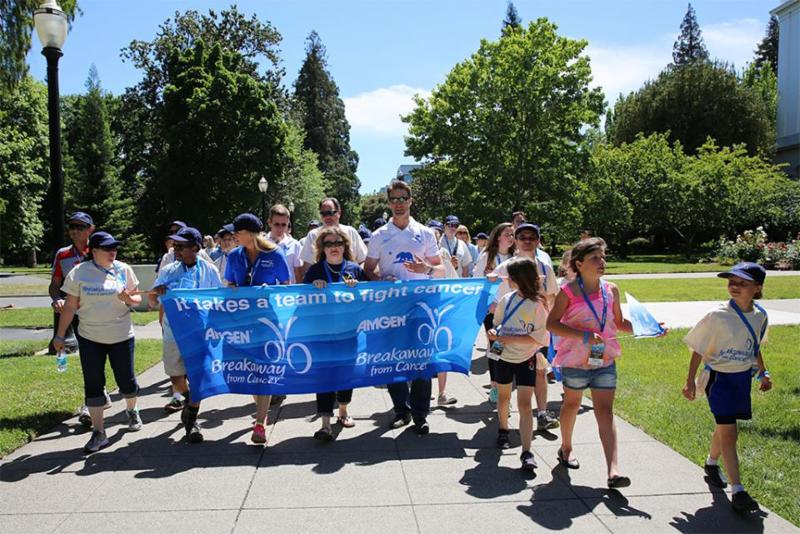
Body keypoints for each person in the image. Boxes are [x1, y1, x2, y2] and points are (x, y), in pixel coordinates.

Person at [682, 262, 771, 513]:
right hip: (718, 380)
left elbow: (754, 346)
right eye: (732, 281)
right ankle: (738, 491)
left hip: (741, 380)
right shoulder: (717, 315)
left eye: (742, 283)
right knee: (730, 433)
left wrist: (763, 372)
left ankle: (711, 463)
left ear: (757, 288)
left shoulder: (760, 315)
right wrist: (689, 381)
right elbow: (698, 348)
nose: (734, 286)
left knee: (725, 427)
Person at [546, 237, 634, 489]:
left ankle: (613, 471)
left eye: (603, 257)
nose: (601, 261)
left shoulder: (611, 290)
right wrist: (583, 335)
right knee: (572, 404)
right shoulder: (568, 292)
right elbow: (552, 324)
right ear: (579, 264)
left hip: (604, 359)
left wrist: (647, 328)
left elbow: (619, 322)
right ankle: (566, 448)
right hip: (575, 360)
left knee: (605, 411)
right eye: (595, 258)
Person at [363, 180, 444, 434]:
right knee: (393, 358)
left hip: (420, 305)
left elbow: (441, 269)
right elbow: (368, 269)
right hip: (391, 307)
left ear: (410, 201)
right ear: (389, 203)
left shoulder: (425, 232)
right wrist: (379, 279)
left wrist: (426, 268)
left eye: (403, 199)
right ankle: (401, 410)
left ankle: (420, 414)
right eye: (394, 200)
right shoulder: (379, 235)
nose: (398, 204)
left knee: (422, 359)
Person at [53, 231, 143, 453]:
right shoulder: (79, 272)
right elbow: (70, 306)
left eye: (115, 248)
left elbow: (137, 298)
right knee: (93, 384)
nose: (113, 252)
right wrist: (60, 335)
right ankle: (99, 432)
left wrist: (129, 299)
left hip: (121, 336)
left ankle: (132, 410)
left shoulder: (123, 269)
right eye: (107, 248)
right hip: (90, 337)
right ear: (94, 251)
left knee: (127, 382)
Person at [149, 227, 222, 443]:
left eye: (181, 246)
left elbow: (218, 300)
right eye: (175, 245)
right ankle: (189, 399)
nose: (176, 250)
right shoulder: (168, 270)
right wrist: (158, 291)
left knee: (197, 377)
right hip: (173, 332)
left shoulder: (210, 270)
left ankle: (192, 423)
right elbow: (152, 300)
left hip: (200, 333)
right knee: (176, 377)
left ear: (196, 248)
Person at [224, 213, 291, 445]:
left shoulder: (275, 254)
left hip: (267, 323)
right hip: (242, 322)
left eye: (238, 232)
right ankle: (261, 411)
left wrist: (270, 290)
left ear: (251, 233)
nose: (234, 235)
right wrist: (233, 289)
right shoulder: (234, 256)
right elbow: (230, 284)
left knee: (264, 370)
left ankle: (260, 422)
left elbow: (287, 286)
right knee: (251, 371)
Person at [303, 227, 369, 441]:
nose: (334, 247)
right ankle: (325, 424)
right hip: (322, 334)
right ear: (322, 248)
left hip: (348, 333)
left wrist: (357, 289)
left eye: (338, 243)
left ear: (345, 246)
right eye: (329, 244)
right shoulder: (314, 271)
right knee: (324, 376)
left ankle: (343, 411)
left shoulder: (354, 270)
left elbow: (368, 298)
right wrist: (313, 289)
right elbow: (301, 301)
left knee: (346, 374)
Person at [491, 224, 559, 430]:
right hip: (511, 331)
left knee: (540, 372)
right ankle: (505, 413)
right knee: (508, 375)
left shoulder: (545, 266)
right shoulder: (506, 267)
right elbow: (491, 293)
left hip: (536, 329)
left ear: (538, 241)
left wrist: (544, 319)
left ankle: (542, 413)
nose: (527, 241)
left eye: (532, 237)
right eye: (522, 237)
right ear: (515, 241)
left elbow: (552, 295)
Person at [49, 212, 112, 426]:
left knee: (103, 354)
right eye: (72, 226)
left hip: (100, 312)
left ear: (90, 229)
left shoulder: (99, 249)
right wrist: (57, 299)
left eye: (80, 226)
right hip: (76, 313)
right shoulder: (63, 255)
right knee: (89, 356)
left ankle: (100, 391)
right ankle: (91, 400)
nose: (75, 230)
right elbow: (55, 284)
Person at [487, 257, 550, 472]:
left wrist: (509, 338)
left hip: (526, 358)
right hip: (503, 357)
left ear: (519, 278)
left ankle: (527, 451)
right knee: (503, 398)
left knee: (525, 404)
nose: (507, 279)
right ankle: (503, 430)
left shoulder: (538, 305)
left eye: (510, 276)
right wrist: (495, 332)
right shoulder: (506, 299)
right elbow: (497, 324)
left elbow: (540, 338)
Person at [472, 222, 516, 405]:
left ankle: (506, 388)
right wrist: (489, 304)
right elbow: (477, 282)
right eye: (507, 234)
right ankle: (495, 387)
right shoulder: (487, 256)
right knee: (496, 348)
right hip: (493, 310)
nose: (511, 237)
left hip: (514, 309)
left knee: (510, 348)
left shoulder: (516, 257)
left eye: (513, 234)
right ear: (498, 236)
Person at [299, 198, 367, 276]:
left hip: (350, 281)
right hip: (322, 282)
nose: (327, 217)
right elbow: (306, 267)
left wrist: (357, 275)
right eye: (323, 214)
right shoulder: (313, 235)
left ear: (339, 213)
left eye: (330, 213)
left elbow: (363, 261)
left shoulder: (351, 232)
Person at [267, 204, 303, 283]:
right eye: (277, 224)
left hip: (288, 290)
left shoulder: (295, 245)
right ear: (269, 222)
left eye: (283, 225)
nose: (280, 228)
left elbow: (298, 275)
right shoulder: (260, 244)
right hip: (266, 290)